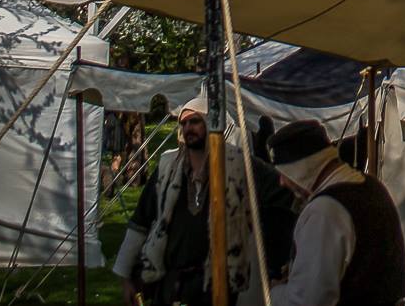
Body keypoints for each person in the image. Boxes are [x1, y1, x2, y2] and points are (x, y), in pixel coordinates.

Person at [115, 94, 287, 306]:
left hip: (221, 285)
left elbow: (285, 194)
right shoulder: (167, 169)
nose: (188, 128)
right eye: (184, 123)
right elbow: (140, 222)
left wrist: (274, 258)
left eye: (195, 121)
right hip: (171, 283)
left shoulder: (240, 165)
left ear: (210, 123)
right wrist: (125, 277)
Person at [268, 120, 405, 306]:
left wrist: (274, 292)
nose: (282, 183)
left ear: (301, 169)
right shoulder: (372, 187)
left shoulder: (324, 211)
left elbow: (307, 301)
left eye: (285, 174)